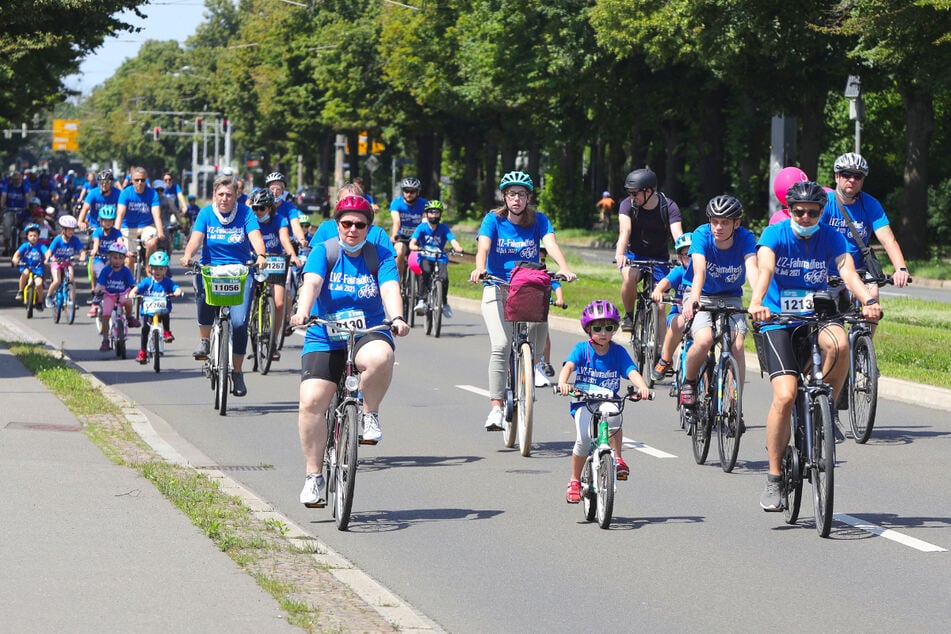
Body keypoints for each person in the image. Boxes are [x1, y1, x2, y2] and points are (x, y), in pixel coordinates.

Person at [748, 181, 882, 511]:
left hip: (817, 315)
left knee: (839, 345)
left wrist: (868, 299)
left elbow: (847, 271)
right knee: (785, 395)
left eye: (813, 212)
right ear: (789, 211)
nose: (806, 217)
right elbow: (764, 269)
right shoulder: (775, 234)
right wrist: (756, 302)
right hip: (778, 319)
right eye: (799, 211)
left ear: (822, 213)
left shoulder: (831, 236)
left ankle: (828, 407)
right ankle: (775, 477)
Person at [289, 195, 410, 508]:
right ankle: (314, 477)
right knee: (312, 401)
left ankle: (369, 413)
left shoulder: (379, 254)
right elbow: (312, 283)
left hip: (366, 330)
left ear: (369, 227)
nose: (353, 229)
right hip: (324, 332)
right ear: (337, 225)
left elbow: (389, 288)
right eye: (346, 223)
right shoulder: (324, 250)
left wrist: (396, 317)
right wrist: (303, 311)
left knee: (382, 357)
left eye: (360, 224)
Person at [468, 170, 577, 431]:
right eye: (511, 194)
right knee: (502, 344)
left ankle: (536, 362)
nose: (516, 199)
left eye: (521, 194)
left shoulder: (538, 220)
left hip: (527, 283)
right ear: (504, 197)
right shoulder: (493, 220)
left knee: (540, 317)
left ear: (528, 197)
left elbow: (550, 245)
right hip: (497, 284)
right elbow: (483, 246)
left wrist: (564, 267)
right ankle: (495, 407)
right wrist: (480, 267)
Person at [180, 175, 268, 397]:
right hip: (212, 270)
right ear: (214, 195)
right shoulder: (206, 213)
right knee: (203, 296)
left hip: (239, 272)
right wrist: (188, 255)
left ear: (236, 196)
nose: (225, 199)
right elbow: (196, 238)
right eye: (221, 194)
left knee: (239, 323)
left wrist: (261, 254)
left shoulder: (246, 214)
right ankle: (204, 340)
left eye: (229, 194)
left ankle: (237, 372)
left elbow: (255, 236)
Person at [556, 300, 651, 503]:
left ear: (615, 329)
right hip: (584, 401)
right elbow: (569, 366)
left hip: (607, 399)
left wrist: (642, 387)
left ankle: (616, 457)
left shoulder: (618, 352)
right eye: (597, 328)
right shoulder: (582, 349)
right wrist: (563, 382)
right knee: (583, 439)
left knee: (615, 417)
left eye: (608, 328)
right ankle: (574, 480)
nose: (603, 333)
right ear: (589, 329)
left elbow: (631, 372)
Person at [679, 195, 758, 408]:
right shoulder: (701, 235)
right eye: (714, 221)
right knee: (704, 340)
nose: (718, 227)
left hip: (731, 295)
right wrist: (694, 299)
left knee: (738, 344)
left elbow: (752, 268)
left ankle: (735, 403)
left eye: (725, 222)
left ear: (736, 223)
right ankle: (689, 381)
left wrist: (759, 300)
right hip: (701, 293)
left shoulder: (746, 237)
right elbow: (700, 271)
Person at [822, 152, 911, 311]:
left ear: (863, 180)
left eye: (857, 176)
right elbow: (814, 237)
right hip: (827, 272)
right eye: (846, 174)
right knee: (823, 316)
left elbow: (888, 239)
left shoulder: (870, 204)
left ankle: (865, 336)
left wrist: (900, 268)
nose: (851, 180)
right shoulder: (825, 202)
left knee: (873, 295)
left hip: (859, 271)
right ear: (837, 176)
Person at [615, 168, 684, 333]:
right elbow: (625, 231)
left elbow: (678, 235)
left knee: (660, 306)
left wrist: (684, 255)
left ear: (649, 191)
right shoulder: (627, 205)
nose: (631, 197)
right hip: (634, 255)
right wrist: (620, 253)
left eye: (634, 193)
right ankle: (630, 316)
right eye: (629, 193)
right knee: (630, 276)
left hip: (659, 257)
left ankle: (659, 354)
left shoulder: (669, 207)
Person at [248, 188, 301, 360]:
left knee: (278, 303)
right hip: (254, 262)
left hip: (275, 263)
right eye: (254, 208)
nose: (257, 212)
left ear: (270, 208)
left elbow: (285, 239)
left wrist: (292, 255)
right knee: (247, 299)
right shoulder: (250, 220)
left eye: (261, 208)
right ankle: (249, 328)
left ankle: (272, 340)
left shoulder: (280, 220)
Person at [649, 232, 694, 382]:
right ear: (680, 257)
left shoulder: (706, 271)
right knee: (678, 323)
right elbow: (665, 282)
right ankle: (665, 360)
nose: (692, 258)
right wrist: (658, 291)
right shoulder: (680, 271)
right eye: (687, 255)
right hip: (679, 312)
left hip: (700, 315)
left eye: (695, 254)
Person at [409, 199, 463, 318]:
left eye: (437, 212)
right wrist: (414, 247)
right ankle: (422, 300)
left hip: (440, 258)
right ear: (427, 214)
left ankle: (444, 303)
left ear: (440, 214)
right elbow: (413, 242)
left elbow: (452, 240)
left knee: (444, 278)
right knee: (426, 272)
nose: (434, 215)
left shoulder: (443, 228)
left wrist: (457, 247)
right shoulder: (422, 227)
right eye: (431, 212)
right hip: (425, 256)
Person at [129, 251, 184, 363]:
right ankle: (143, 351)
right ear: (150, 269)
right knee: (145, 329)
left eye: (161, 269)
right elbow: (138, 288)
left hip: (162, 309)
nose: (157, 271)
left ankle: (167, 331)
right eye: (155, 268)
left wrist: (178, 291)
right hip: (149, 311)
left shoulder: (167, 282)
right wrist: (133, 292)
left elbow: (175, 288)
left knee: (165, 314)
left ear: (165, 269)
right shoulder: (147, 281)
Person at [115, 167, 165, 268]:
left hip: (146, 226)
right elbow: (120, 214)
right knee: (129, 258)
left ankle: (149, 266)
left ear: (146, 180)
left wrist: (160, 232)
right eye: (137, 180)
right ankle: (130, 282)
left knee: (152, 243)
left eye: (142, 180)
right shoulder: (125, 193)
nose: (140, 182)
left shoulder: (152, 194)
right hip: (128, 227)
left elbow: (157, 215)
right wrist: (116, 234)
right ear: (132, 181)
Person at [93, 242, 139, 351]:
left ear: (124, 259)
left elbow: (131, 284)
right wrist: (99, 290)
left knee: (128, 301)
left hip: (122, 293)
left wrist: (134, 290)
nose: (117, 261)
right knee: (106, 314)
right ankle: (105, 339)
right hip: (110, 295)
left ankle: (129, 317)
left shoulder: (126, 271)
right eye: (114, 258)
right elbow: (102, 284)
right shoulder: (106, 270)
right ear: (110, 257)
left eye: (120, 258)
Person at [535, 245, 566, 387]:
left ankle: (545, 362)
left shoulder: (546, 273)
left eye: (543, 258)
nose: (540, 261)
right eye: (538, 257)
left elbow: (556, 285)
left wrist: (559, 299)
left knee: (544, 337)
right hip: (524, 307)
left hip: (540, 310)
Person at [86, 205, 124, 316]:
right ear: (100, 221)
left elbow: (120, 243)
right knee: (102, 273)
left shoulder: (117, 232)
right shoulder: (97, 232)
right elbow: (96, 243)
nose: (108, 223)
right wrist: (94, 250)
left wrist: (125, 251)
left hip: (111, 259)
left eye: (110, 220)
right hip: (99, 259)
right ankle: (95, 303)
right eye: (105, 220)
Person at [44, 214, 86, 308]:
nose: (71, 231)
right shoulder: (58, 240)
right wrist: (48, 259)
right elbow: (49, 252)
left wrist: (82, 257)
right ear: (63, 229)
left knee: (71, 279)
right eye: (69, 229)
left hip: (68, 262)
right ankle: (49, 296)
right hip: (57, 262)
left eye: (73, 229)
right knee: (57, 280)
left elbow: (82, 251)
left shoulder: (75, 240)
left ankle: (72, 300)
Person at [389, 176, 428, 277]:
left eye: (412, 191)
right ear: (403, 191)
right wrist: (394, 235)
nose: (409, 194)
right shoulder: (396, 203)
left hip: (417, 238)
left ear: (417, 192)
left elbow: (424, 221)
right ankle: (398, 281)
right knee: (399, 251)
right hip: (402, 238)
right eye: (406, 191)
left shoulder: (424, 204)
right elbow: (396, 221)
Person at [12, 223, 47, 305]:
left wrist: (48, 259)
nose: (33, 238)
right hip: (26, 266)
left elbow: (47, 253)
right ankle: (20, 291)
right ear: (27, 236)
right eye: (31, 236)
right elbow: (16, 255)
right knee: (25, 273)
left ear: (38, 236)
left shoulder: (41, 246)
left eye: (35, 235)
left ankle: (40, 301)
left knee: (39, 284)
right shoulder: (25, 246)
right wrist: (15, 260)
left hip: (38, 268)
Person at [266, 172, 306, 243]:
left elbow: (295, 225)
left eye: (278, 189)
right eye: (272, 189)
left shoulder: (290, 208)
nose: (275, 192)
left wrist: (301, 239)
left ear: (283, 191)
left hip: (286, 247)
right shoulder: (262, 207)